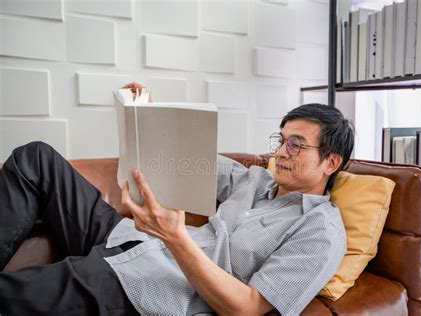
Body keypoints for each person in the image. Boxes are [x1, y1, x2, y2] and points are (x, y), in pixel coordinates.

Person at [0, 83, 354, 315]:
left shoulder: (321, 232)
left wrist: (175, 236)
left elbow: (246, 309)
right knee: (36, 158)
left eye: (295, 144)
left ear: (331, 162)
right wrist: (148, 115)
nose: (281, 152)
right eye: (280, 141)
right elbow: (189, 155)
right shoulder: (255, 179)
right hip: (128, 236)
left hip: (146, 284)